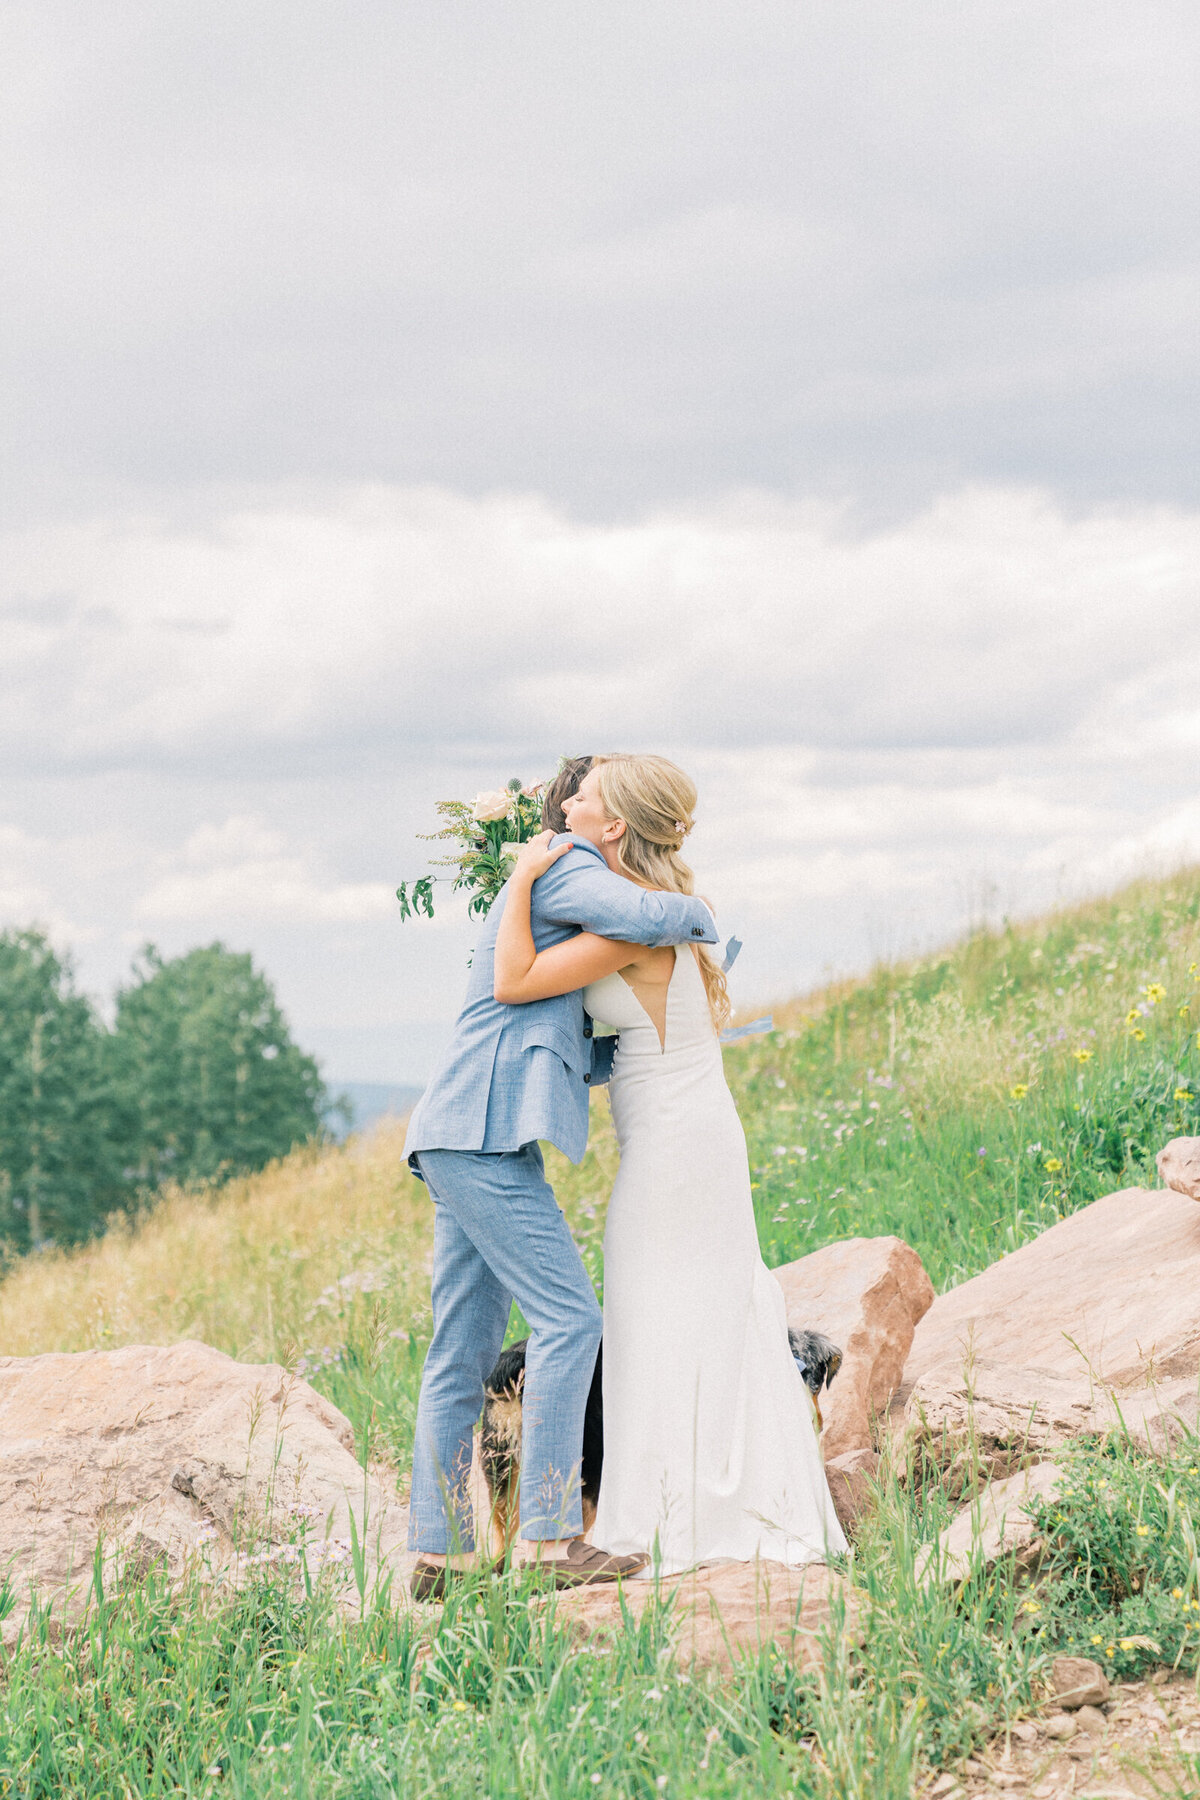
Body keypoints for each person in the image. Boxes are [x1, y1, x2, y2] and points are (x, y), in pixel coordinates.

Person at [493, 754, 846, 1574]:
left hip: (677, 1146)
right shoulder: (651, 913)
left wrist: (517, 886)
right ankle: (694, 1498)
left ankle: (678, 1516)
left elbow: (514, 981)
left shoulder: (633, 925)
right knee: (681, 1308)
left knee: (660, 1309)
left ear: (612, 827)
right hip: (686, 1136)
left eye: (583, 796)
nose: (567, 801)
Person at [403, 756, 719, 1597]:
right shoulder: (567, 868)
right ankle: (547, 1541)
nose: (575, 802)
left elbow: (551, 1032)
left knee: (460, 1352)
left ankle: (441, 1556)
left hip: (459, 1132)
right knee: (571, 1319)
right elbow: (640, 914)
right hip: (478, 1136)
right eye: (580, 792)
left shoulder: (543, 879)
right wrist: (700, 912)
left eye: (585, 792)